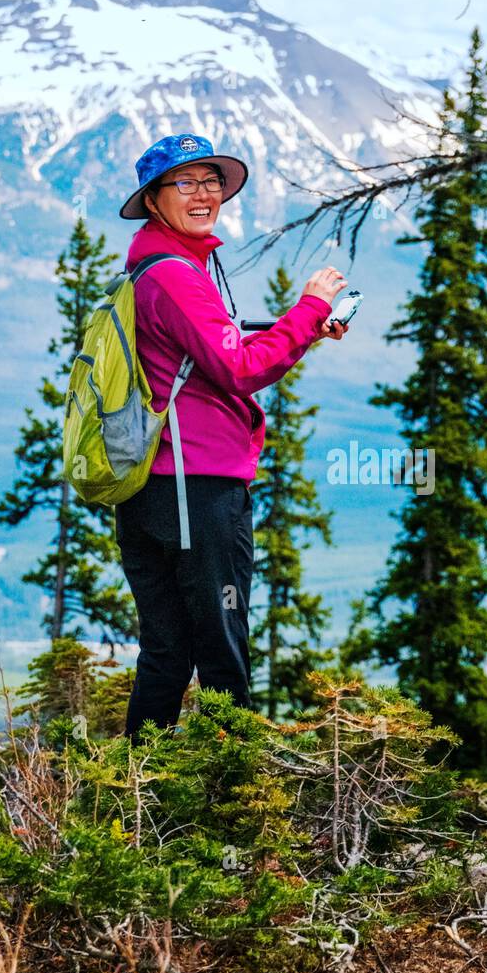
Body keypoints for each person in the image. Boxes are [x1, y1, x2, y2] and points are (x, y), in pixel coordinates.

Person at [115, 132, 349, 743]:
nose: (203, 194)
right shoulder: (175, 273)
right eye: (185, 183)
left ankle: (137, 797)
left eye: (211, 181)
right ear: (153, 199)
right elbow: (240, 369)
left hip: (155, 488)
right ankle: (241, 804)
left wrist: (306, 328)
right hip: (199, 491)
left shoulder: (160, 265)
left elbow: (211, 345)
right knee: (222, 650)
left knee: (166, 652)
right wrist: (309, 307)